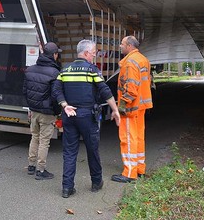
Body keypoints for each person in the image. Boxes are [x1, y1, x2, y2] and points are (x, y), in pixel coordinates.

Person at [53, 39, 121, 198]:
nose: (94, 56)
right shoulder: (91, 70)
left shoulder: (65, 70)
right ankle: (96, 182)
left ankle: (67, 188)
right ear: (85, 53)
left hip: (69, 115)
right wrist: (115, 109)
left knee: (69, 152)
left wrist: (64, 105)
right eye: (93, 53)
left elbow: (56, 90)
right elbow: (104, 90)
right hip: (87, 116)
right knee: (92, 150)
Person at [112, 36, 153, 183]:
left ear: (129, 46)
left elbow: (130, 89)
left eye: (122, 44)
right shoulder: (143, 59)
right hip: (141, 107)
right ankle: (139, 168)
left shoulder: (129, 63)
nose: (120, 46)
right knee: (138, 138)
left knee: (128, 139)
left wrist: (121, 107)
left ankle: (129, 173)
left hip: (131, 108)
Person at [22, 42, 62, 180]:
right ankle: (40, 170)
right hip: (47, 112)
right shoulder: (55, 73)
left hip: (34, 110)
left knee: (34, 137)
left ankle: (31, 165)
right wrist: (57, 112)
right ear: (54, 55)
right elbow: (56, 95)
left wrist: (31, 106)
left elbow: (25, 91)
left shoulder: (30, 70)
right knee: (44, 141)